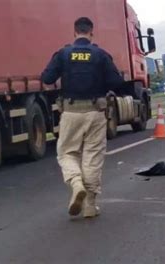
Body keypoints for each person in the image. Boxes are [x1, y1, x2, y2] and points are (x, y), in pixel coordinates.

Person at [41, 17, 123, 218]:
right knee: (92, 157)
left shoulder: (63, 54)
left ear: (75, 32)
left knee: (66, 153)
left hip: (70, 112)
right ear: (91, 32)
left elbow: (47, 78)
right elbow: (116, 82)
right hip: (95, 112)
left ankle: (76, 183)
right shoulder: (101, 55)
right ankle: (90, 206)